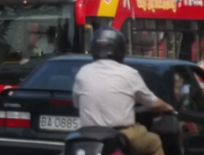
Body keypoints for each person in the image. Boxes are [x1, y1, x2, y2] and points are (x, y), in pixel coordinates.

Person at [73, 27, 173, 155]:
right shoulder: (128, 73)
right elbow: (154, 103)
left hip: (88, 134)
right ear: (119, 49)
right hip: (122, 133)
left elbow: (76, 103)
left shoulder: (83, 73)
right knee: (154, 142)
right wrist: (168, 108)